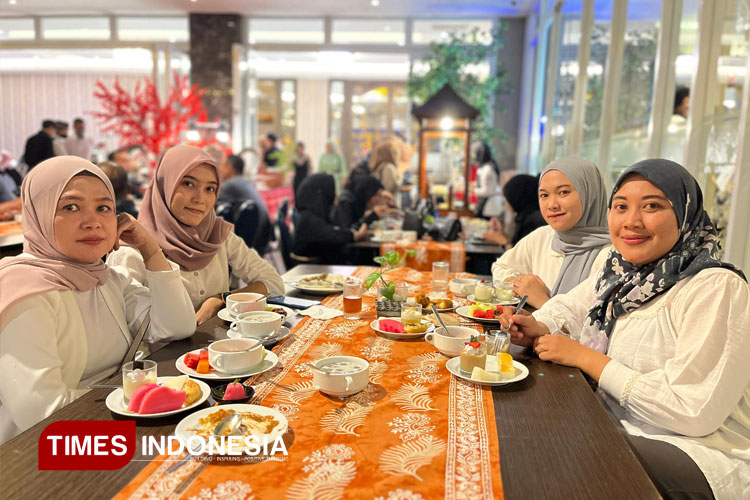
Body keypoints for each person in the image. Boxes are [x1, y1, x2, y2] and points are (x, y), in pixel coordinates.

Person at [503, 159, 749, 500]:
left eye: (652, 206)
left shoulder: (713, 286)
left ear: (685, 213)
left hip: (695, 448)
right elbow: (573, 305)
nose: (632, 221)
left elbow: (692, 412)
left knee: (558, 456)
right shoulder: (619, 267)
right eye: (621, 206)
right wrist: (539, 324)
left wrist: (588, 359)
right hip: (611, 418)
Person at [0, 156, 196, 444]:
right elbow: (42, 414)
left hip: (114, 423)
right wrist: (137, 400)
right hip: (41, 453)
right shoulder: (24, 291)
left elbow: (177, 326)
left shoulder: (104, 277)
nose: (92, 222)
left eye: (103, 208)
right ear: (38, 213)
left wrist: (150, 250)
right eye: (70, 207)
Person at [107, 145, 284, 325]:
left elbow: (273, 283)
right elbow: (127, 327)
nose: (200, 199)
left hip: (219, 350)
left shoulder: (217, 236)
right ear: (165, 184)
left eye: (210, 188)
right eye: (188, 184)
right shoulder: (133, 250)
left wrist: (222, 299)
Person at [491, 158, 611, 308]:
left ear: (590, 194)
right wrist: (519, 283)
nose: (552, 205)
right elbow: (500, 267)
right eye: (544, 195)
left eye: (563, 192)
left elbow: (595, 327)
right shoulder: (543, 237)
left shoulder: (612, 255)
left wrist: (541, 300)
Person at [292, 173, 370, 264]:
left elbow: (335, 232)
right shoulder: (308, 218)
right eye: (332, 190)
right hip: (310, 270)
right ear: (321, 193)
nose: (335, 193)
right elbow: (335, 236)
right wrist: (356, 236)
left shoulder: (315, 214)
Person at [217, 154, 272, 251]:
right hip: (265, 230)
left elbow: (208, 200)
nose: (220, 169)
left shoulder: (230, 184)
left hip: (252, 236)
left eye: (223, 165)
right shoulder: (246, 181)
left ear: (230, 168)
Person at [483, 174, 546, 250]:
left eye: (508, 198)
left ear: (518, 198)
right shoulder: (525, 216)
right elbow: (517, 245)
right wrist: (501, 233)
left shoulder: (534, 221)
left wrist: (502, 241)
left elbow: (521, 258)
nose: (505, 203)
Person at [331, 176, 397, 229]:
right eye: (376, 195)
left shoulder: (359, 201)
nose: (377, 199)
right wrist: (373, 216)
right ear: (367, 192)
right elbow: (349, 230)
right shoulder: (346, 202)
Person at [474, 142, 502, 219]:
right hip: (491, 205)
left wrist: (474, 190)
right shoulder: (489, 166)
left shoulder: (487, 169)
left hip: (488, 207)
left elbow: (486, 191)